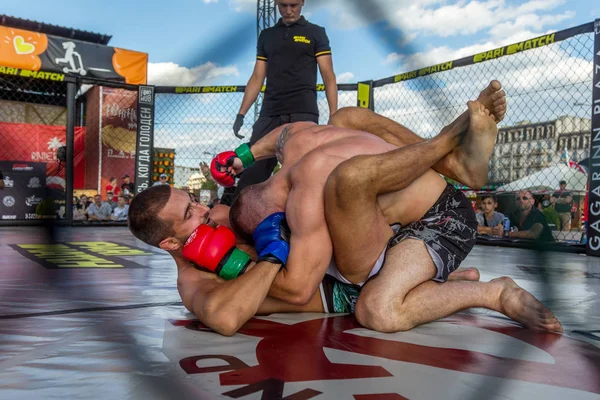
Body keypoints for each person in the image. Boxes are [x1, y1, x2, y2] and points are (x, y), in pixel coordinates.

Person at [130, 83, 560, 335]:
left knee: (346, 121)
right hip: (349, 278)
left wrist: (246, 152)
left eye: (195, 204)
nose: (204, 212)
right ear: (170, 241)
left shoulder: (228, 213)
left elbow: (288, 137)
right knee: (374, 305)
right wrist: (267, 257)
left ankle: (452, 156)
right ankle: (488, 289)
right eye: (189, 215)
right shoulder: (192, 279)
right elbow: (227, 315)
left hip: (386, 239)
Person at [231, 0, 337, 201]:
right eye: (283, 5)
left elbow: (328, 75)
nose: (289, 10)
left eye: (294, 5)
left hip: (303, 111)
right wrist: (241, 112)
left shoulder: (315, 32)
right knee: (251, 175)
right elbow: (257, 77)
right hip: (270, 112)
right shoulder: (267, 36)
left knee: (303, 175)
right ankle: (238, 227)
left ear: (303, 3)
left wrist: (334, 115)